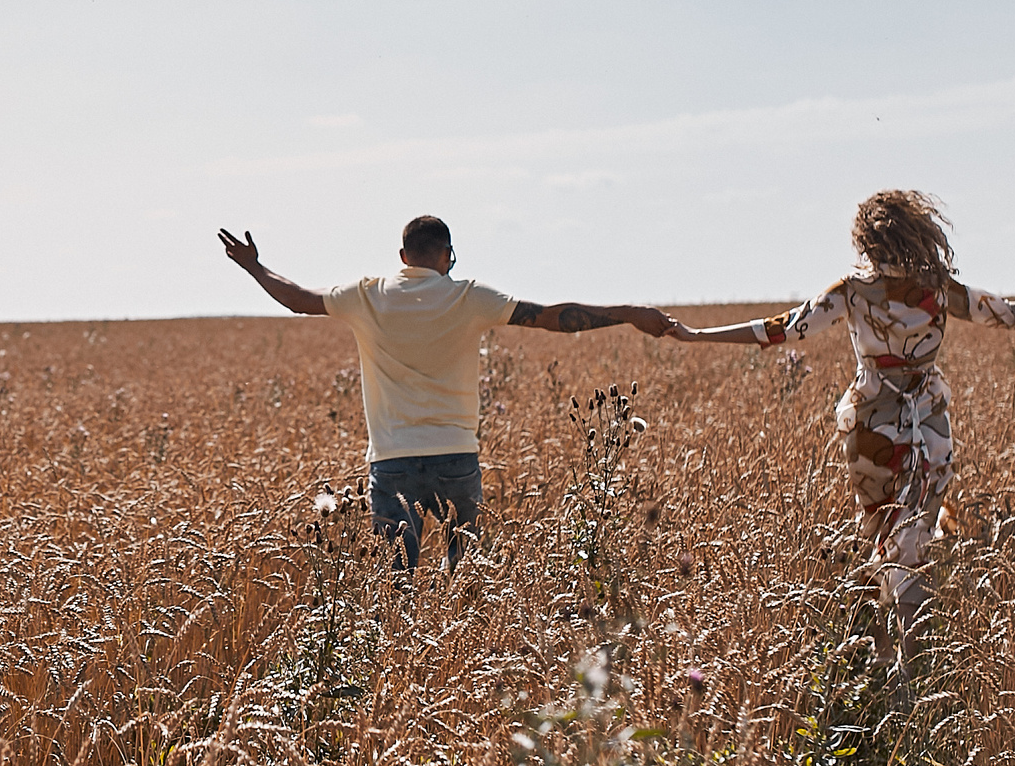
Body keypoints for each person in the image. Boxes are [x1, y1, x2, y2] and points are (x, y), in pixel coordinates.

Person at [669, 189, 1015, 669]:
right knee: (912, 539)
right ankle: (908, 669)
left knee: (879, 531)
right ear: (917, 233)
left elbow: (781, 329)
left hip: (869, 428)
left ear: (866, 241)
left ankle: (881, 655)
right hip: (928, 428)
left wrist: (696, 335)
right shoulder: (939, 290)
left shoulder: (850, 291)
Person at [219, 215, 680, 572]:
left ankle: (396, 657)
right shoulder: (470, 297)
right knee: (466, 575)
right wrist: (628, 312)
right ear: (447, 255)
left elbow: (298, 299)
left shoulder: (367, 295)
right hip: (456, 456)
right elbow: (551, 318)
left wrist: (255, 267)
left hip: (392, 459)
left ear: (403, 255)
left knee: (396, 581)